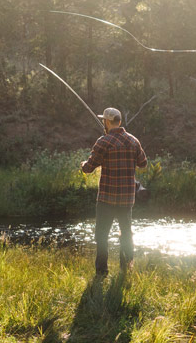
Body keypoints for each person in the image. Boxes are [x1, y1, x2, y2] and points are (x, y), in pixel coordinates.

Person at [80, 106, 148, 274]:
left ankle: (102, 272)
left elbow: (88, 168)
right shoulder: (133, 141)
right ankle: (126, 269)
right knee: (126, 234)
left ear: (107, 122)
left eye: (104, 120)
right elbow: (143, 164)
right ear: (119, 121)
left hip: (106, 199)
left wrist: (83, 164)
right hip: (126, 200)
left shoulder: (103, 142)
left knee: (101, 236)